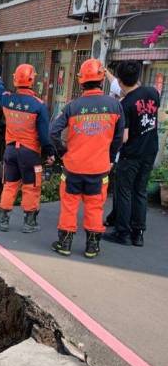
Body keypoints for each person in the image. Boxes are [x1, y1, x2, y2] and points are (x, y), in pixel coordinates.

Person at [50, 58, 125, 258]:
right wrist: (109, 158)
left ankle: (65, 244)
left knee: (69, 206)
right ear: (102, 79)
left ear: (81, 80)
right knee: (95, 207)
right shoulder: (115, 106)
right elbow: (118, 139)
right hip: (99, 170)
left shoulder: (72, 106)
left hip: (73, 168)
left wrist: (63, 152)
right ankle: (92, 247)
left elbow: (53, 132)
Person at [103, 61, 160, 247]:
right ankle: (138, 234)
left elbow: (124, 138)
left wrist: (110, 151)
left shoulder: (125, 104)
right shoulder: (152, 93)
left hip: (131, 155)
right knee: (140, 191)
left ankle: (122, 233)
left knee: (124, 192)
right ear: (138, 77)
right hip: (150, 151)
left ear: (119, 82)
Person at [0, 64, 55, 233]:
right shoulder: (39, 105)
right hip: (30, 153)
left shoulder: (7, 99)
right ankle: (29, 222)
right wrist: (49, 152)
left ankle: (3, 219)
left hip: (11, 150)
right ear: (32, 80)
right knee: (31, 186)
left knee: (10, 184)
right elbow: (44, 135)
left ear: (15, 79)